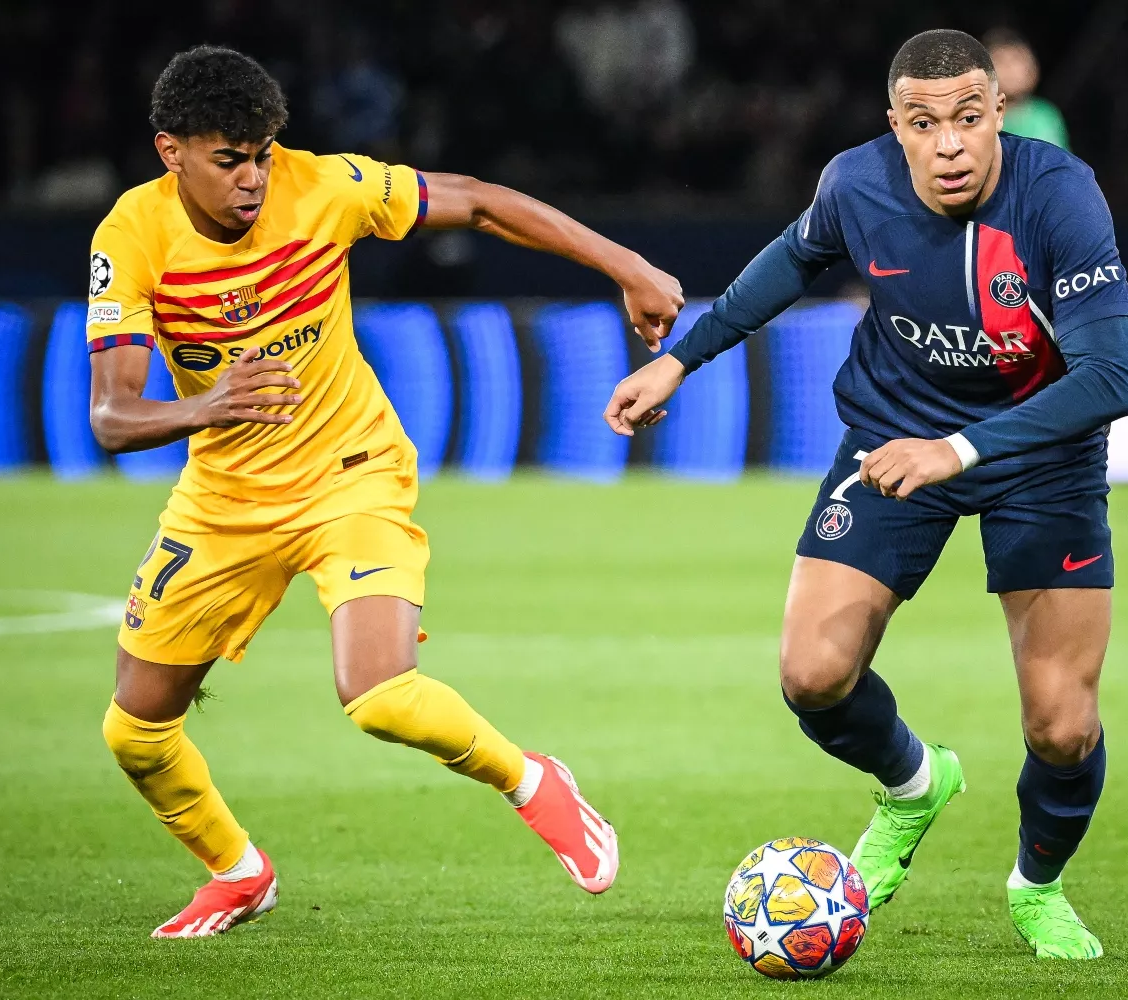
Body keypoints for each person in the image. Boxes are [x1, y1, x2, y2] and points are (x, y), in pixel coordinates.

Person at [88, 45, 683, 939]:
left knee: (377, 694)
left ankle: (533, 781)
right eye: (228, 160)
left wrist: (626, 265)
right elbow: (112, 417)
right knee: (134, 734)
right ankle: (238, 871)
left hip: (350, 474)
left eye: (262, 155)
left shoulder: (325, 186)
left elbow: (479, 202)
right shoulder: (129, 237)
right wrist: (208, 406)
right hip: (223, 505)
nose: (253, 179)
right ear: (172, 152)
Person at [605, 29, 1128, 960]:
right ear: (895, 126)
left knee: (1061, 726)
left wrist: (960, 449)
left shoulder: (1059, 195)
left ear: (998, 114)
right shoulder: (854, 183)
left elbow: (1113, 378)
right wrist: (681, 359)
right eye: (925, 124)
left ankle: (1037, 886)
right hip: (894, 438)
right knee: (812, 677)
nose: (950, 144)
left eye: (970, 119)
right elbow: (789, 262)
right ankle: (914, 783)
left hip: (1038, 454)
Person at [984, 29, 1069, 150]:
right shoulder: (981, 117)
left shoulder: (1045, 116)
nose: (1009, 69)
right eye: (1000, 61)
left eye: (1016, 60)